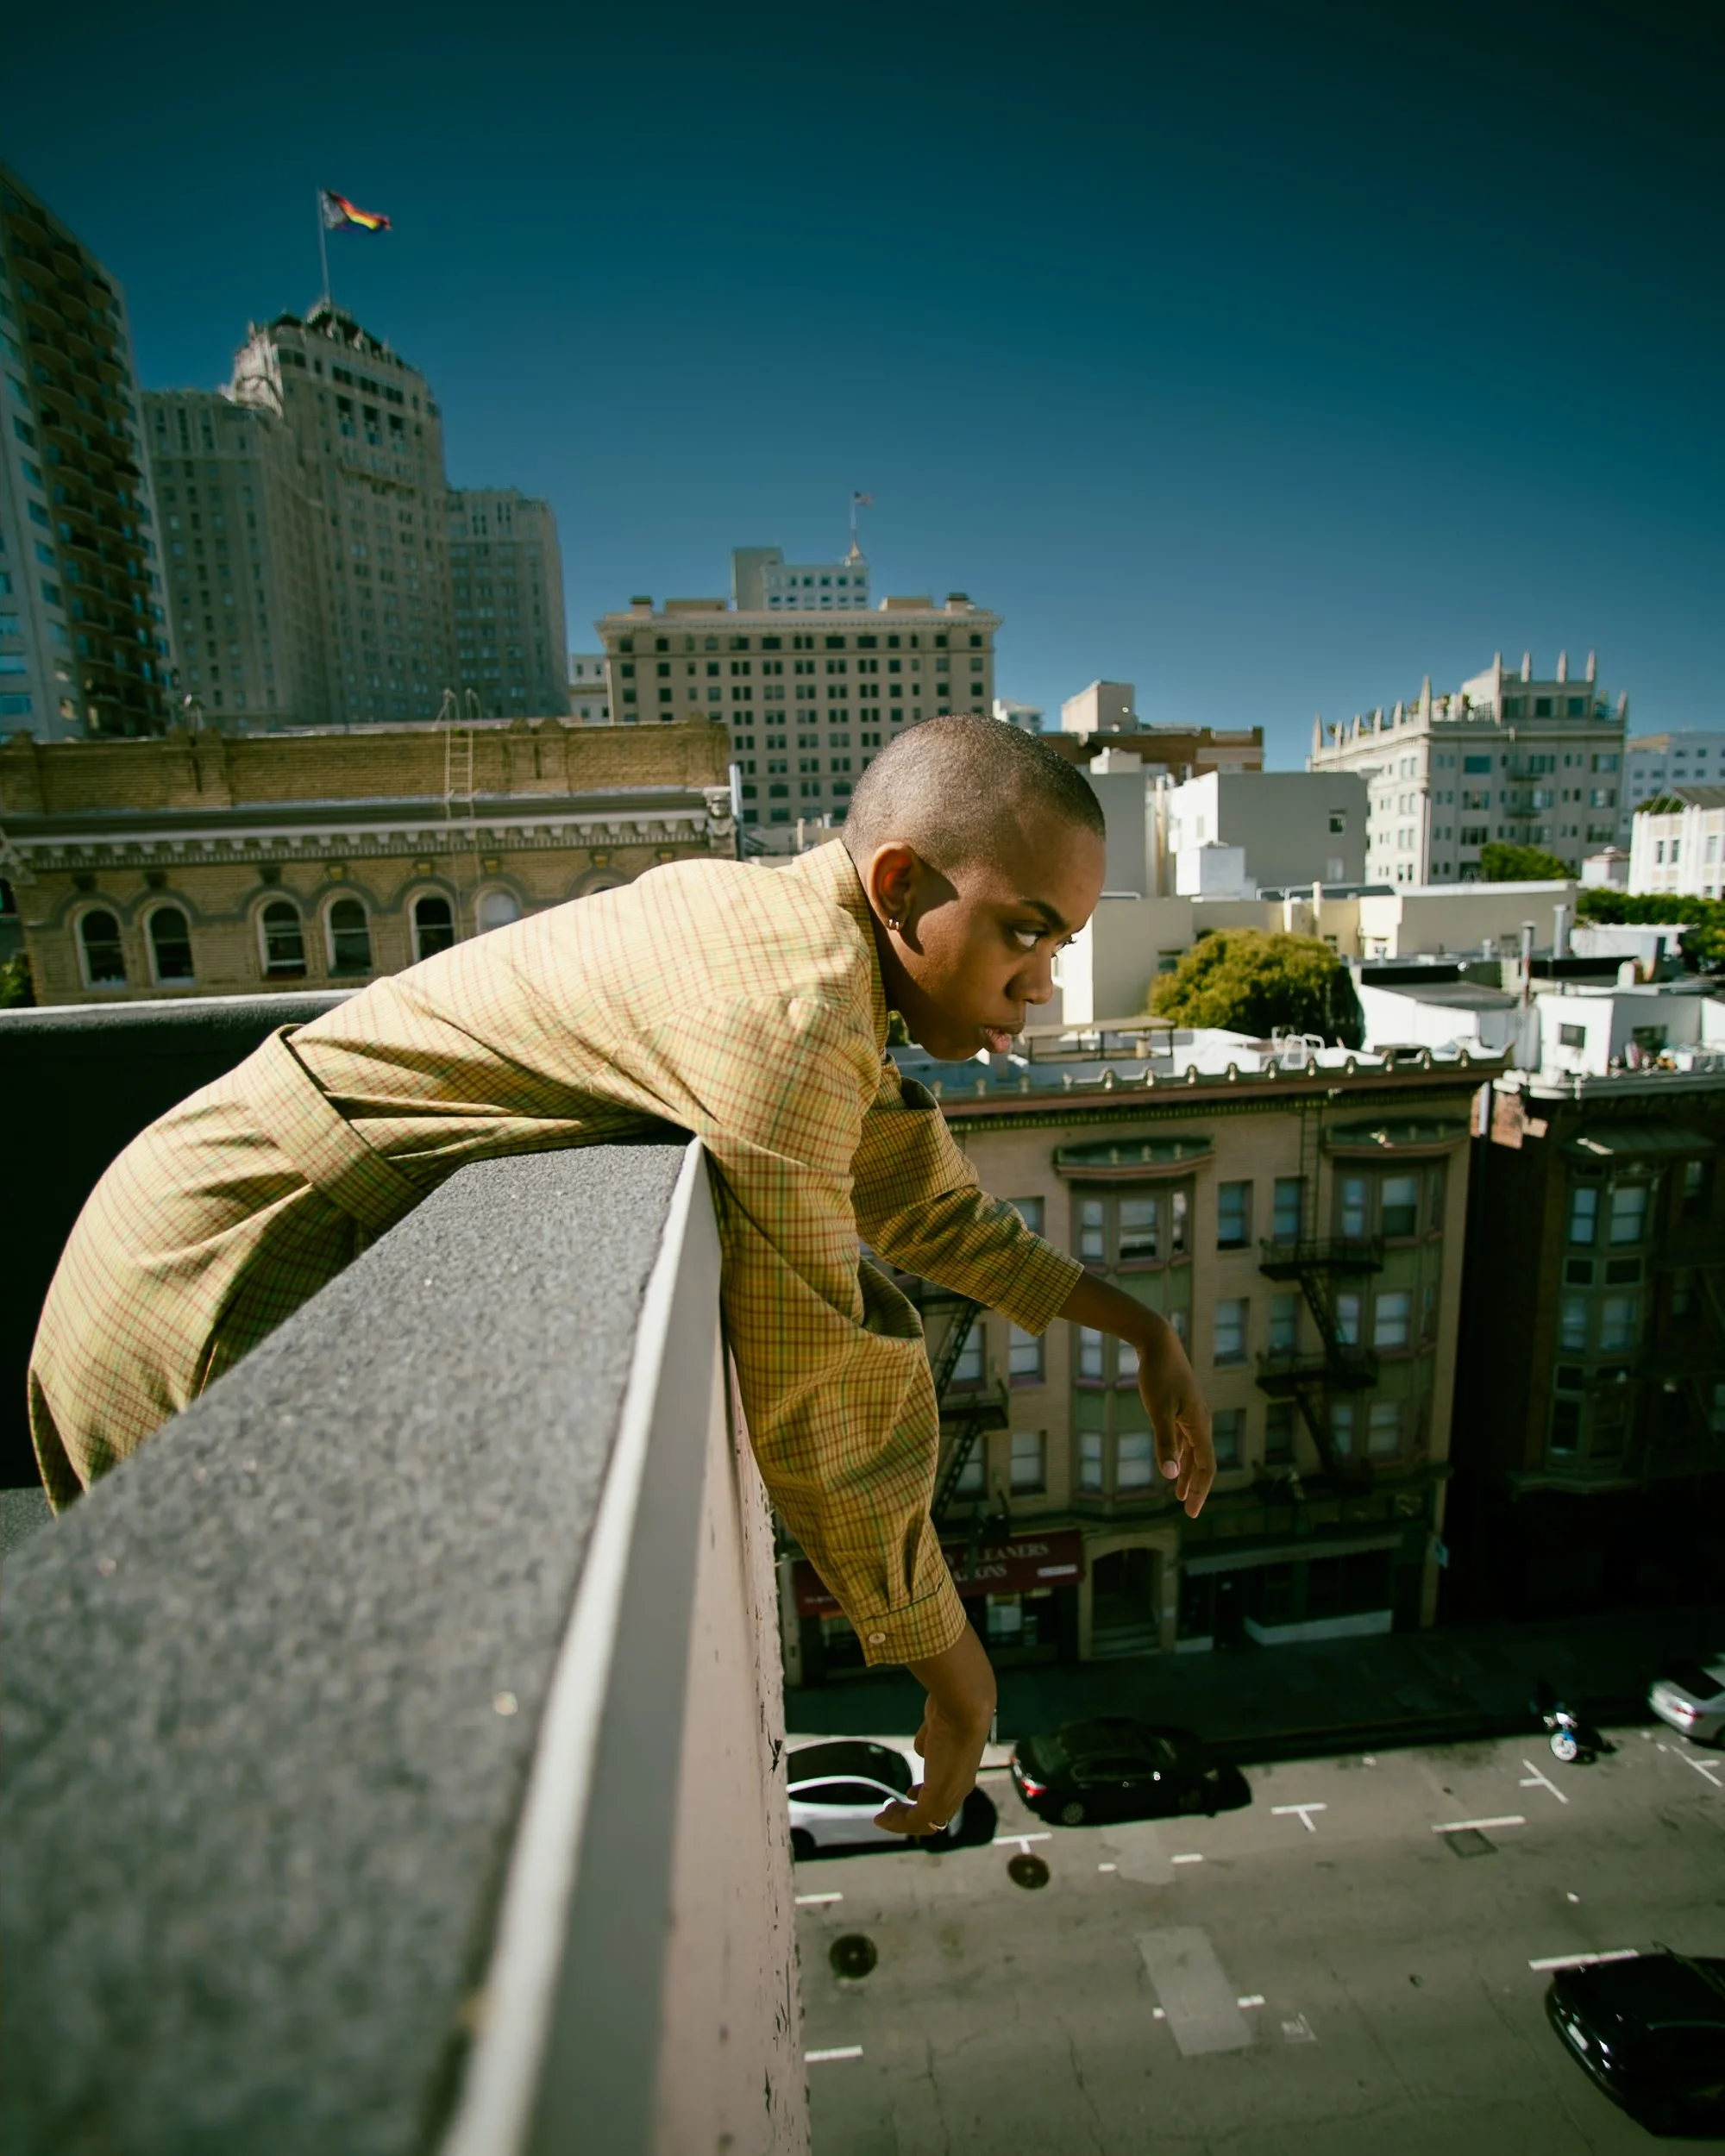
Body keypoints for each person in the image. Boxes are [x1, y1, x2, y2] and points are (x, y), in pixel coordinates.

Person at [28, 716, 1214, 1838]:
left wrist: (1138, 1327)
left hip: (191, 1214)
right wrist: (955, 1674)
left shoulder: (799, 943)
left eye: (1061, 945)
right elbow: (820, 1388)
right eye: (1024, 930)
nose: (1045, 983)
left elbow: (921, 1197)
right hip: (226, 1265)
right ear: (901, 887)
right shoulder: (795, 1010)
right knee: (264, 1774)